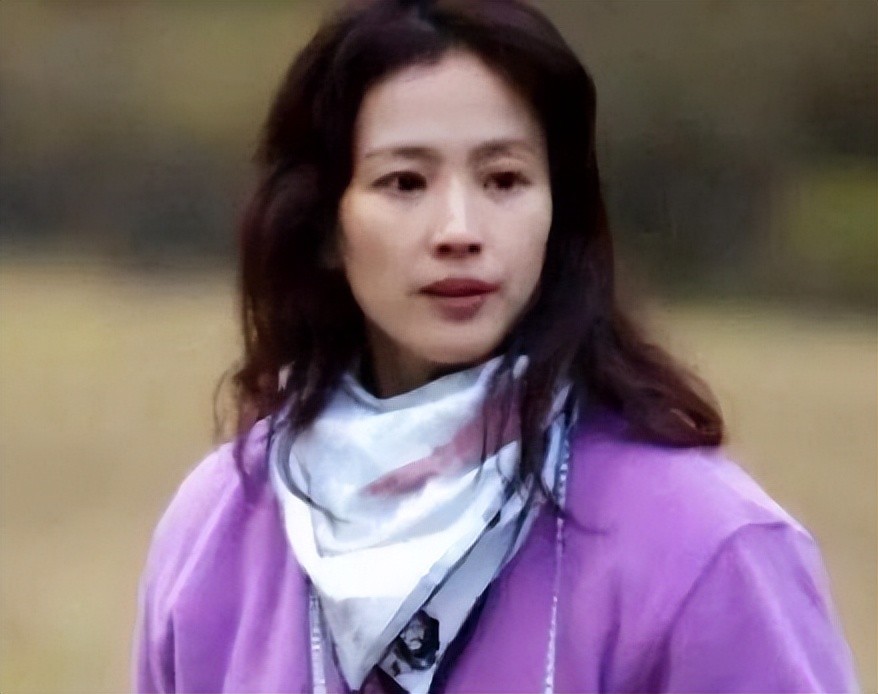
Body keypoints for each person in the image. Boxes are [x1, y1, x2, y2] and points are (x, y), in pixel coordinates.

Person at [133, 1, 858, 692]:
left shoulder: (706, 547)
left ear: (559, 213)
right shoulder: (219, 532)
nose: (459, 229)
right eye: (405, 182)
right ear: (323, 224)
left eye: (504, 180)